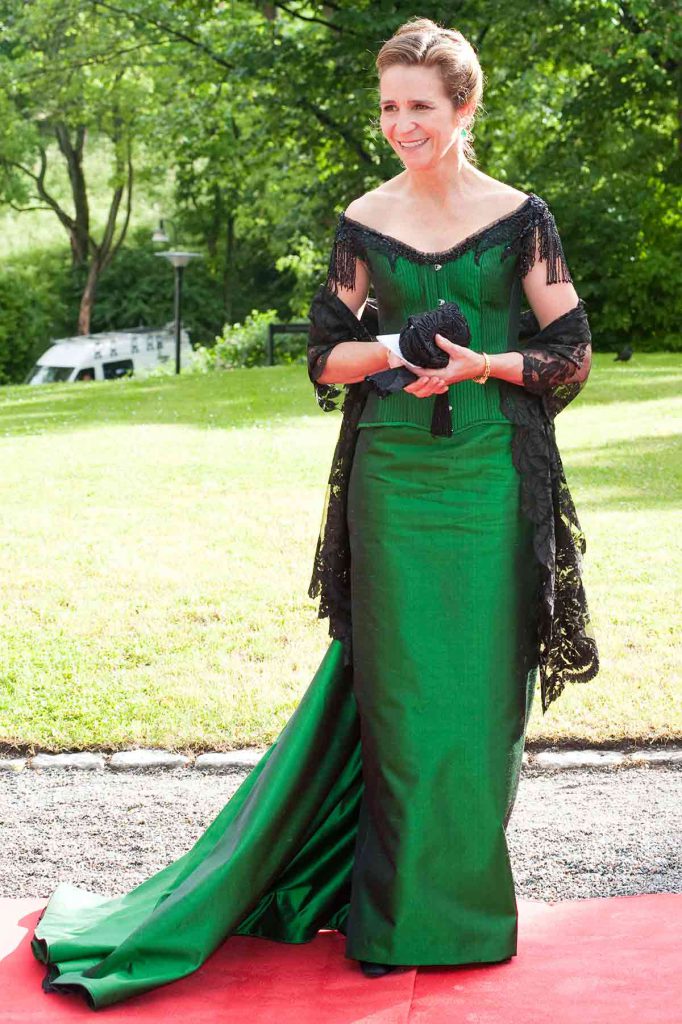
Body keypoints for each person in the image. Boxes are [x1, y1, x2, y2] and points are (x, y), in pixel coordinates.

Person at [30, 17, 598, 1010]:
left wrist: (483, 364)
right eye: (388, 107)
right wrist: (392, 350)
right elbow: (325, 358)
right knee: (405, 704)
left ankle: (463, 912)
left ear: (464, 107)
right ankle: (395, 921)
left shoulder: (522, 218)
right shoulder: (363, 220)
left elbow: (573, 351)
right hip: (393, 484)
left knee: (480, 703)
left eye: (419, 106)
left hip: (494, 479)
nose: (400, 124)